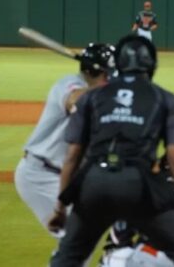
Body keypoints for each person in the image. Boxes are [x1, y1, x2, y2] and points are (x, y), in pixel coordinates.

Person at [47, 34, 174, 267]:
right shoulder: (165, 99)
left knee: (67, 258)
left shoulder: (91, 97)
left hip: (93, 184)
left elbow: (72, 156)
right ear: (152, 65)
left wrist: (61, 208)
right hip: (138, 186)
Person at [14, 44, 115, 237]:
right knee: (77, 240)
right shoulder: (69, 84)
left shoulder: (103, 99)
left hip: (66, 177)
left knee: (85, 239)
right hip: (40, 175)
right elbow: (75, 101)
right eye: (108, 75)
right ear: (94, 71)